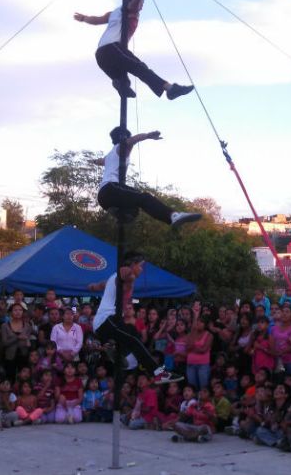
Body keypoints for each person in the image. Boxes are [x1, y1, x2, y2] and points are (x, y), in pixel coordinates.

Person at [73, 0, 194, 100]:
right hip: (111, 49)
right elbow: (133, 5)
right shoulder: (130, 11)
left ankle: (120, 84)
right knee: (140, 68)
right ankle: (169, 88)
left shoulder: (113, 13)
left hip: (101, 56)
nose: (142, 3)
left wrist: (84, 18)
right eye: (142, 0)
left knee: (124, 80)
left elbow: (96, 20)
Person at [89, 252, 183, 384]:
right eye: (140, 266)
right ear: (133, 265)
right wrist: (128, 270)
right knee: (133, 340)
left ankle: (112, 346)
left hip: (107, 323)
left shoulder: (112, 278)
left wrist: (93, 287)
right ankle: (157, 373)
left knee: (132, 331)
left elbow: (102, 285)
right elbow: (123, 272)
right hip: (106, 320)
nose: (141, 270)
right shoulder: (126, 276)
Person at [92, 127, 201, 227]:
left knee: (134, 208)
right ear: (123, 138)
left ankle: (119, 214)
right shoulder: (121, 147)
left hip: (103, 198)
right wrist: (148, 136)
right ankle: (173, 216)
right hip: (110, 189)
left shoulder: (109, 156)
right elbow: (133, 140)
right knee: (144, 197)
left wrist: (93, 161)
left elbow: (100, 161)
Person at [271, 305, 291, 380]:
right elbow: (272, 344)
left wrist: (283, 351)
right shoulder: (274, 328)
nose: (284, 313)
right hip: (277, 361)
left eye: (287, 312)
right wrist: (274, 353)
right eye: (282, 311)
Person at [186, 316, 213, 391]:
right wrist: (196, 347)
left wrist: (193, 347)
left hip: (203, 365)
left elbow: (203, 350)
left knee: (203, 387)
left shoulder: (209, 335)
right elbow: (187, 348)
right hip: (191, 364)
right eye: (197, 321)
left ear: (205, 324)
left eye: (201, 322)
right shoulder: (191, 333)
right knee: (192, 388)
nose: (198, 323)